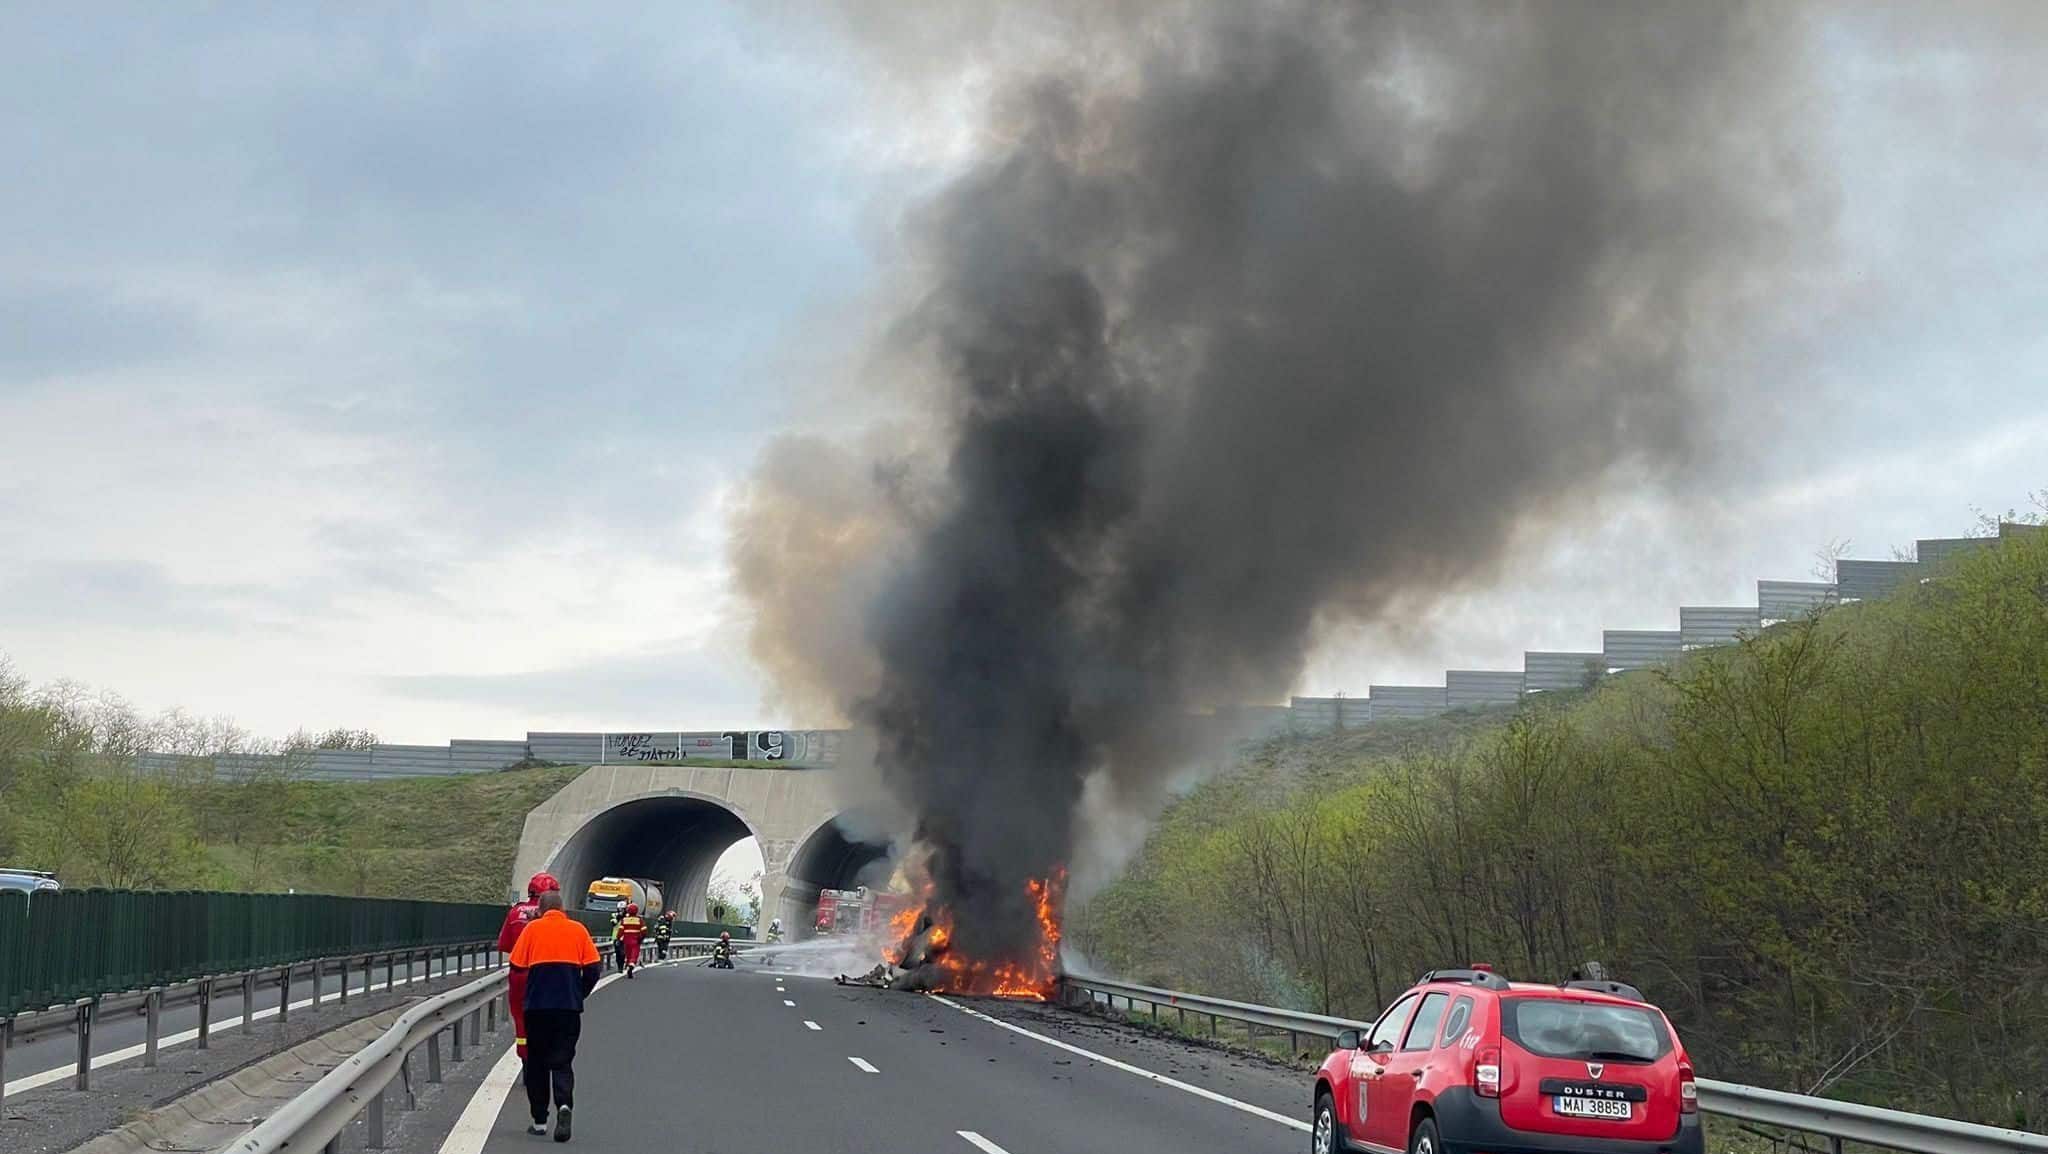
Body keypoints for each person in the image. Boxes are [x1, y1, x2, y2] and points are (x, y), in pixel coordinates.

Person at [508, 888, 601, 1143]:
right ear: (563, 910)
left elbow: (516, 965)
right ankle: (564, 1105)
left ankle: (539, 1121)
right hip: (568, 1008)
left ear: (540, 911)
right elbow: (593, 969)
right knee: (562, 1061)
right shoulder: (578, 930)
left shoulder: (532, 929)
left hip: (537, 1007)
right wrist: (578, 993)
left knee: (537, 1063)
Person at [496, 872, 559, 1067]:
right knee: (549, 1015)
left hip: (520, 973)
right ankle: (545, 1051)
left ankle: (525, 1055)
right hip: (547, 974)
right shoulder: (554, 917)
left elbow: (504, 944)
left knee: (521, 1017)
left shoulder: (515, 912)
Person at [617, 902, 646, 978]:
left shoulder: (624, 920)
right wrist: (641, 938)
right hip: (636, 941)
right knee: (634, 955)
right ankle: (631, 966)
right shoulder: (639, 920)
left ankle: (627, 964)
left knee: (628, 954)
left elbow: (620, 931)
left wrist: (618, 939)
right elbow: (644, 930)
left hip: (626, 941)